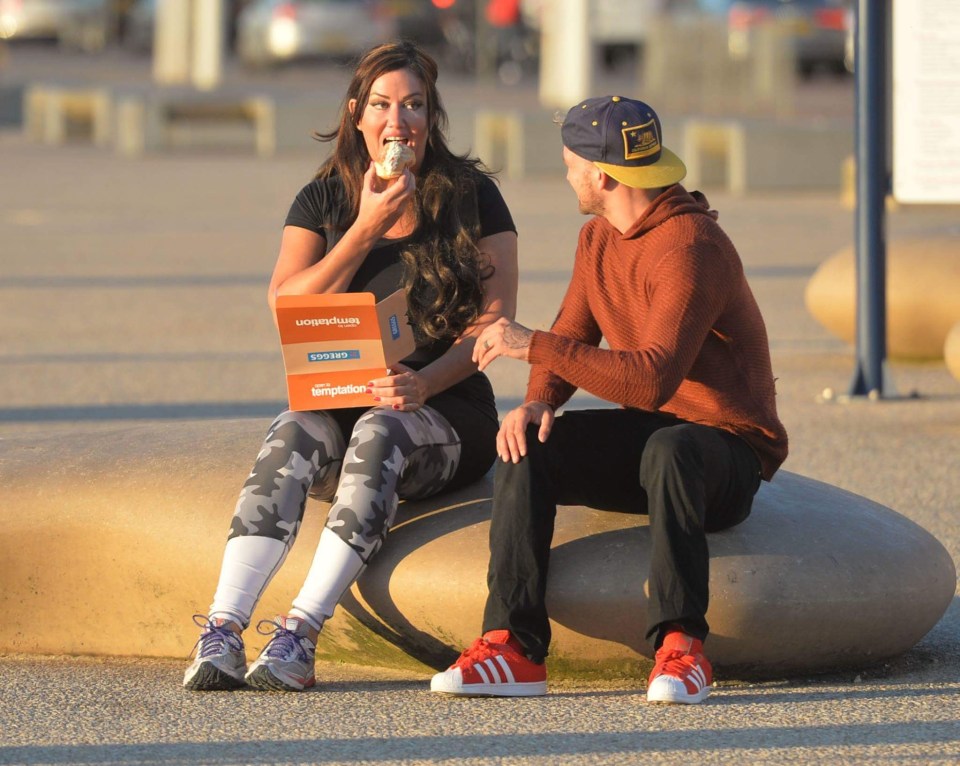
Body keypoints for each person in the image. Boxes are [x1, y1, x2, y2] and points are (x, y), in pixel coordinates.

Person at [183, 41, 518, 692]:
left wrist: (424, 382)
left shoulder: (474, 198)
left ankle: (300, 634)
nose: (401, 121)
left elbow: (494, 327)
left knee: (380, 431)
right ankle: (222, 628)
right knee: (293, 428)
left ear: (432, 116)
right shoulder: (324, 201)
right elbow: (285, 304)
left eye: (416, 105)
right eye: (385, 105)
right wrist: (364, 231)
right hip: (343, 395)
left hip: (443, 412)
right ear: (357, 116)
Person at [430, 96, 788, 704]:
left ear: (601, 173)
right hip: (655, 437)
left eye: (571, 163)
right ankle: (512, 647)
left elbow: (652, 381)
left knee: (673, 449)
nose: (566, 174)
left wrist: (528, 345)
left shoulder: (690, 247)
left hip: (726, 452)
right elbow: (572, 335)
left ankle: (682, 650)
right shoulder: (599, 236)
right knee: (526, 445)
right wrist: (539, 400)